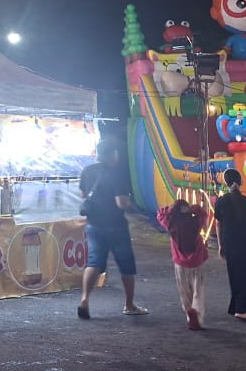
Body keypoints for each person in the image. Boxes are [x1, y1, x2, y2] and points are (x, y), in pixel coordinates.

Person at [77, 139, 147, 319]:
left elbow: (84, 195)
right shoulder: (117, 174)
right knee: (126, 265)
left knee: (94, 262)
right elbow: (121, 203)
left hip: (93, 225)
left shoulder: (87, 171)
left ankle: (84, 300)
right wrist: (134, 207)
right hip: (115, 226)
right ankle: (129, 304)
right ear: (112, 154)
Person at [213, 168, 246, 321]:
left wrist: (220, 245)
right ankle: (243, 308)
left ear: (226, 183)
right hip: (245, 240)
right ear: (241, 182)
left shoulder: (221, 201)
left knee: (235, 274)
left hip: (229, 240)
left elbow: (218, 224)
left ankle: (240, 306)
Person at [156, 198, 209, 330]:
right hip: (197, 261)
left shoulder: (171, 223)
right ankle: (197, 313)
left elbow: (160, 213)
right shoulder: (196, 221)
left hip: (180, 263)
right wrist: (193, 209)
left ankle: (189, 311)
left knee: (184, 290)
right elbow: (203, 213)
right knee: (198, 289)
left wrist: (171, 209)